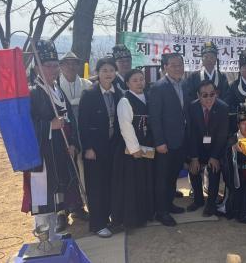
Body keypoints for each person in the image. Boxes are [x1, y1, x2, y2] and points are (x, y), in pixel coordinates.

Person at [22, 39, 82, 241]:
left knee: (57, 193)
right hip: (43, 153)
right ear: (37, 68)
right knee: (43, 194)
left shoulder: (58, 90)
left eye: (55, 66)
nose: (53, 70)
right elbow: (26, 124)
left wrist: (73, 143)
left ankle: (55, 233)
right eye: (48, 66)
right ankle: (43, 237)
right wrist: (49, 125)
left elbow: (70, 120)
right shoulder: (32, 92)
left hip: (60, 150)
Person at [79, 56, 122, 237]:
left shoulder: (119, 93)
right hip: (95, 149)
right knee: (96, 186)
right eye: (104, 70)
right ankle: (98, 223)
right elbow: (82, 123)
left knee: (112, 183)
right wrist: (88, 147)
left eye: (111, 70)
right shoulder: (89, 94)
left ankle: (112, 218)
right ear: (97, 73)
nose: (108, 74)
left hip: (113, 147)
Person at [149, 52, 191, 226]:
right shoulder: (158, 87)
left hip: (181, 140)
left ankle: (169, 204)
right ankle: (161, 211)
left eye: (180, 64)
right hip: (165, 142)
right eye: (173, 65)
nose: (178, 68)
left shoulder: (185, 84)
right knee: (162, 178)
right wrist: (159, 142)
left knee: (173, 175)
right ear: (165, 67)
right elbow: (155, 117)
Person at [112, 69, 155, 228]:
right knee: (132, 183)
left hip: (147, 146)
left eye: (141, 79)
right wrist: (134, 148)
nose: (139, 83)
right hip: (131, 150)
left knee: (145, 180)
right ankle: (131, 218)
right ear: (127, 83)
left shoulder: (148, 97)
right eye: (135, 80)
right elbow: (125, 125)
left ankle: (145, 213)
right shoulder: (125, 101)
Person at [57, 51, 91, 228]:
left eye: (74, 63)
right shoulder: (55, 87)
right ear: (61, 66)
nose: (71, 66)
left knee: (85, 171)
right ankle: (62, 211)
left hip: (85, 135)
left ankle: (82, 205)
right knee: (66, 174)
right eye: (67, 63)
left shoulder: (87, 85)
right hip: (65, 137)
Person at [187, 80, 229, 217]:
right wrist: (194, 158)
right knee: (193, 169)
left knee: (214, 169)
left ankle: (211, 204)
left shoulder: (223, 108)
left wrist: (214, 157)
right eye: (204, 95)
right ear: (198, 96)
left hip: (216, 147)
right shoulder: (192, 107)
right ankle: (198, 200)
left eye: (212, 94)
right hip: (198, 147)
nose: (209, 98)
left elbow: (222, 135)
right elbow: (191, 134)